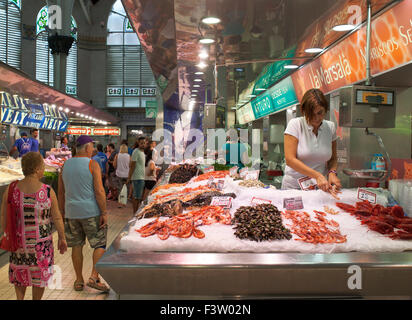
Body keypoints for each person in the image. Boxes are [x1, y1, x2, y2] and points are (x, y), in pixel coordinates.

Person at [0, 152, 67, 300]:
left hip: (19, 243)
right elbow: (56, 217)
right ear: (37, 169)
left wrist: (4, 234)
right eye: (42, 166)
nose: (43, 169)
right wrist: (62, 237)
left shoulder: (12, 189)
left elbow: (3, 215)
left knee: (20, 274)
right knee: (39, 278)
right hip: (41, 246)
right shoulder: (47, 191)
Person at [58, 135, 110, 293]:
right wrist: (104, 212)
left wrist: (62, 212)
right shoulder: (92, 164)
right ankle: (94, 277)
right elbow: (100, 191)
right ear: (87, 148)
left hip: (71, 213)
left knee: (76, 245)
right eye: (92, 147)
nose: (93, 149)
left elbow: (61, 193)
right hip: (91, 212)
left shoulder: (65, 165)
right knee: (100, 244)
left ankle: (79, 280)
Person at [283, 88, 341, 198]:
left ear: (325, 110)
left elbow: (333, 158)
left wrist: (332, 173)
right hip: (294, 187)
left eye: (320, 113)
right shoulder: (295, 124)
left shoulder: (330, 127)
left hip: (319, 188)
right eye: (311, 114)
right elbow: (290, 160)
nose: (316, 118)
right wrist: (317, 175)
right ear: (304, 111)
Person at [127, 137, 146, 214]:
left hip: (141, 177)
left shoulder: (142, 152)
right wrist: (129, 177)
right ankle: (135, 213)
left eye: (144, 143)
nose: (143, 144)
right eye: (141, 143)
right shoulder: (136, 151)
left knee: (138, 197)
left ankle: (136, 212)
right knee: (136, 197)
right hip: (137, 177)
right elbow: (132, 165)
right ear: (138, 143)